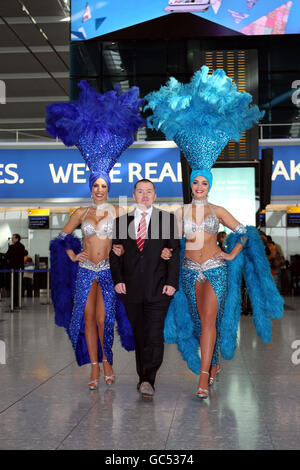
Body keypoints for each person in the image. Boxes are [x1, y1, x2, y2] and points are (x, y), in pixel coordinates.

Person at [144, 66, 284, 399]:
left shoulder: (217, 211)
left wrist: (232, 253)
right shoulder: (179, 212)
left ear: (210, 184)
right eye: (196, 181)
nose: (200, 185)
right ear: (190, 183)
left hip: (216, 270)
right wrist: (164, 251)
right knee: (196, 323)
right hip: (188, 272)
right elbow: (160, 235)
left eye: (205, 182)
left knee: (209, 321)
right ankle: (214, 361)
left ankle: (203, 377)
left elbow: (245, 232)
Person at [46, 80, 145, 390]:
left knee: (105, 320)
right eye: (95, 185)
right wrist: (74, 253)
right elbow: (61, 240)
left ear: (108, 188)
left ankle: (108, 362)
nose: (99, 190)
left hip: (108, 271)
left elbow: (134, 238)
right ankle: (92, 368)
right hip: (86, 270)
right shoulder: (81, 213)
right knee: (88, 319)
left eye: (103, 186)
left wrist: (123, 253)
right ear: (90, 187)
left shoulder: (117, 212)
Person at [109, 179, 180, 399]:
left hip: (158, 288)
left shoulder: (166, 220)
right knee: (140, 335)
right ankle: (143, 377)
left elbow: (174, 252)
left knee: (154, 334)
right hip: (131, 289)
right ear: (134, 195)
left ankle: (149, 378)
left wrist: (171, 282)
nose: (145, 195)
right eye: (140, 192)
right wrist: (118, 279)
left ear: (155, 195)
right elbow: (115, 252)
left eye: (149, 192)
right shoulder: (122, 222)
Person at [5, 234, 25, 308]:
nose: (12, 239)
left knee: (13, 286)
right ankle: (18, 302)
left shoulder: (12, 247)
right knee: (19, 285)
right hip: (20, 269)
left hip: (13, 269)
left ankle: (14, 303)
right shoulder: (22, 246)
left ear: (17, 239)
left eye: (13, 238)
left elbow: (7, 256)